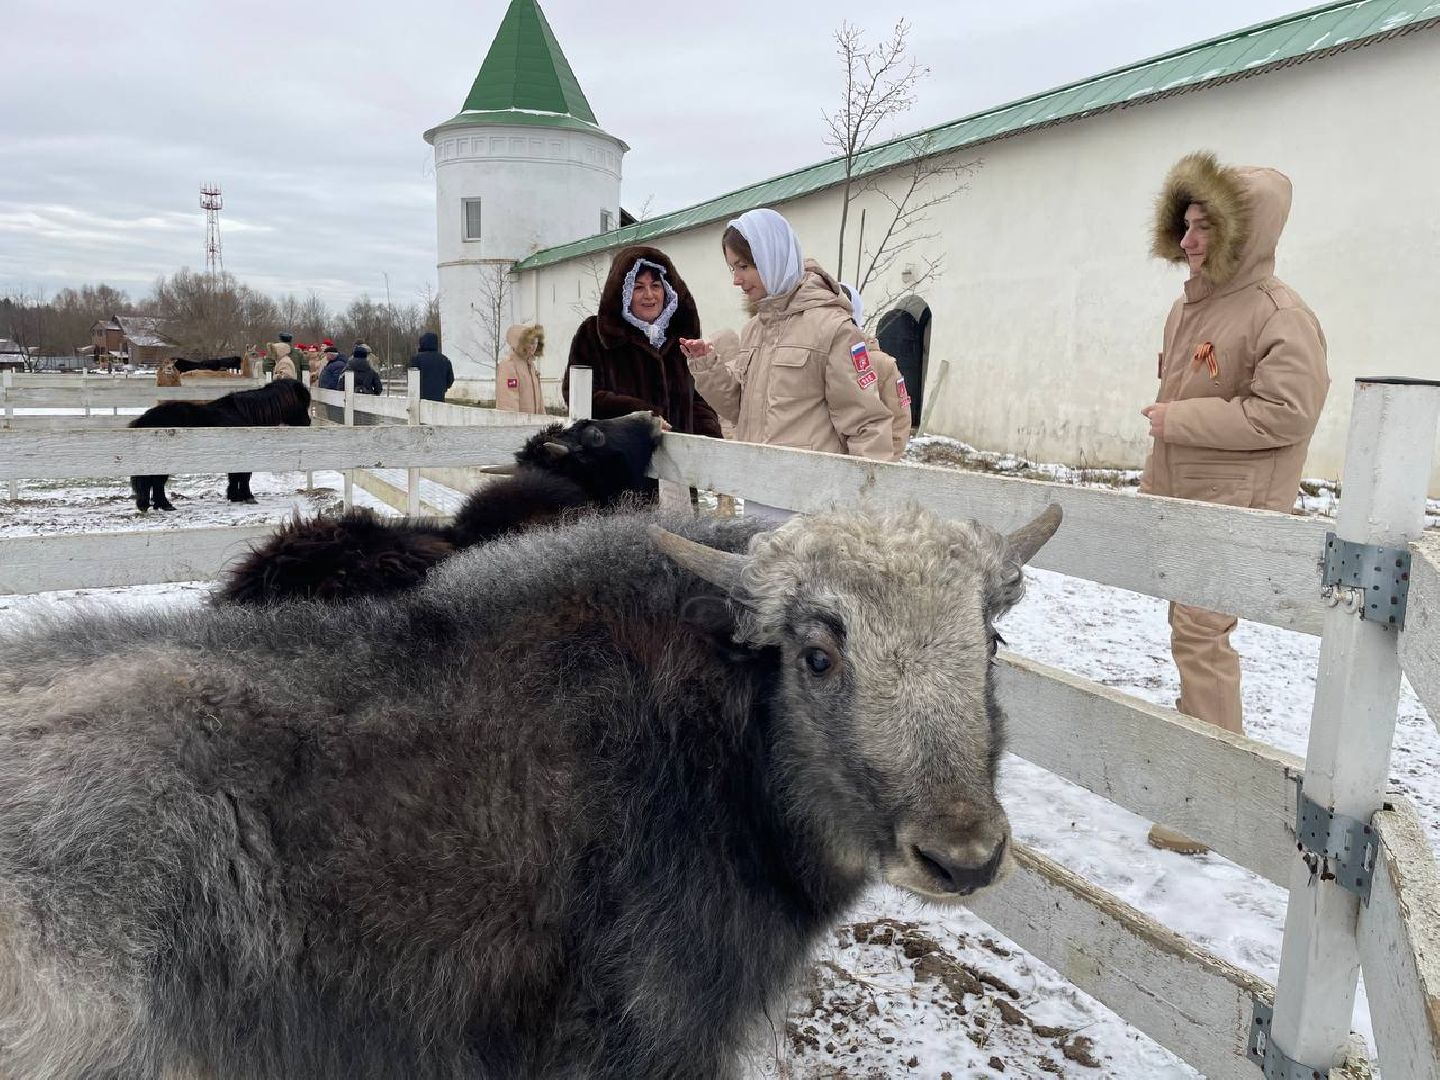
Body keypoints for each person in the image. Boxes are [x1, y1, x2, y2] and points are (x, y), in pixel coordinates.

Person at [1141, 150, 1328, 852]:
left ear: (1242, 230)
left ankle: (1205, 805)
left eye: (1203, 226)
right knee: (1190, 636)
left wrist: (1175, 422)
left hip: (1235, 510)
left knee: (1201, 639)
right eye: (1183, 226)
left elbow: (1287, 413)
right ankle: (1197, 754)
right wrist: (1156, 486)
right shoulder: (1193, 308)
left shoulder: (1281, 314)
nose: (1187, 241)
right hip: (1189, 502)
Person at [680, 208, 894, 463]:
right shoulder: (754, 330)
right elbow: (740, 409)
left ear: (771, 258)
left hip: (809, 494)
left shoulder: (832, 328)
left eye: (744, 266)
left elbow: (865, 422)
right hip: (757, 486)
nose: (736, 280)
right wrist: (708, 366)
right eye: (732, 269)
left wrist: (863, 495)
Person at [564, 245, 722, 437]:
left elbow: (697, 398)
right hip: (619, 457)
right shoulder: (593, 335)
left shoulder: (679, 338)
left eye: (655, 286)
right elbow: (580, 395)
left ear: (668, 290)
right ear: (623, 293)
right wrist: (642, 416)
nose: (649, 294)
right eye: (638, 287)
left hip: (679, 459)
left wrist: (709, 436)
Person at [840, 283, 912, 462]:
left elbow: (900, 423)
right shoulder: (819, 357)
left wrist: (880, 469)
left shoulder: (881, 364)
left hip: (864, 468)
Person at [496, 325, 542, 413]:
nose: (534, 346)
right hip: (520, 424)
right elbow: (508, 404)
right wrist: (515, 426)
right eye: (531, 342)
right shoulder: (509, 365)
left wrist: (544, 422)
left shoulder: (530, 365)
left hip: (534, 424)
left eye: (536, 342)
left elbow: (539, 401)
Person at [408, 331, 454, 404]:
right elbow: (450, 380)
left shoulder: (416, 359)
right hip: (439, 399)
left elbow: (411, 380)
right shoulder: (445, 360)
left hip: (420, 400)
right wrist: (442, 388)